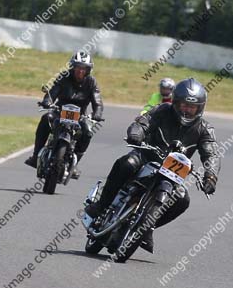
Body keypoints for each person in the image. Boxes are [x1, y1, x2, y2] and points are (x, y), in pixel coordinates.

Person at [85, 78, 219, 253]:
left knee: (182, 200)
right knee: (126, 163)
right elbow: (143, 122)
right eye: (184, 105)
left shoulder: (204, 129)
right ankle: (102, 205)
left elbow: (212, 153)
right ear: (176, 103)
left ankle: (148, 226)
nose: (187, 110)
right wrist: (136, 133)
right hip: (147, 156)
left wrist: (211, 175)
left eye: (192, 107)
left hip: (172, 172)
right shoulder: (163, 110)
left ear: (200, 108)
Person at [24, 51, 104, 179]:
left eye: (84, 68)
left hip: (80, 116)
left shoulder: (91, 82)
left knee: (88, 132)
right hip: (59, 112)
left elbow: (97, 101)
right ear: (73, 67)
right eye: (78, 67)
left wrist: (97, 114)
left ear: (88, 70)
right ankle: (35, 156)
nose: (80, 71)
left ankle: (75, 163)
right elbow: (53, 91)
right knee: (45, 119)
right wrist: (47, 102)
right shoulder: (64, 77)